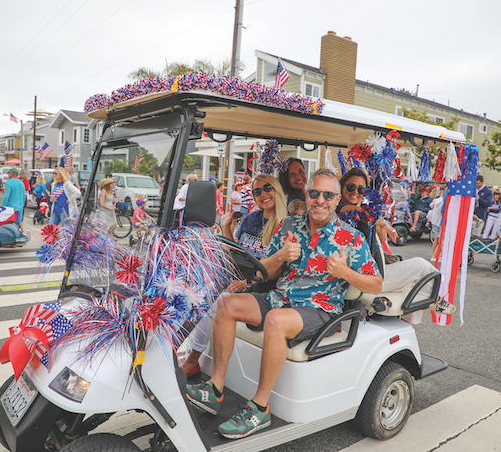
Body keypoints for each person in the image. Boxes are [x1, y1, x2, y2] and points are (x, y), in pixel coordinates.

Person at [185, 168, 382, 439]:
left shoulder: (351, 238)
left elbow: (376, 283)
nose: (320, 201)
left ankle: (259, 408)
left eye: (327, 195)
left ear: (337, 200)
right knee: (226, 305)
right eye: (314, 194)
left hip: (319, 308)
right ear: (307, 195)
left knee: (276, 320)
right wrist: (279, 255)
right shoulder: (289, 225)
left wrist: (346, 273)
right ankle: (215, 389)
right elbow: (264, 272)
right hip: (281, 296)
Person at [182, 174, 288, 376]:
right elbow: (238, 252)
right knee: (196, 291)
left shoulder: (285, 225)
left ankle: (193, 360)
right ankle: (179, 349)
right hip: (242, 279)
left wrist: (246, 281)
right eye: (257, 191)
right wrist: (226, 227)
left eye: (267, 188)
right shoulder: (252, 219)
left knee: (218, 301)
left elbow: (278, 270)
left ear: (277, 190)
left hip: (264, 285)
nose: (262, 194)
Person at [336, 169, 443, 305]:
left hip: (368, 272)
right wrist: (380, 221)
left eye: (361, 189)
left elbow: (366, 215)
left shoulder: (362, 212)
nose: (355, 192)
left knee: (414, 281)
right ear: (342, 187)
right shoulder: (341, 208)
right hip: (362, 278)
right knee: (422, 266)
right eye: (351, 187)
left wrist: (382, 223)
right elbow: (358, 212)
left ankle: (435, 300)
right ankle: (437, 301)